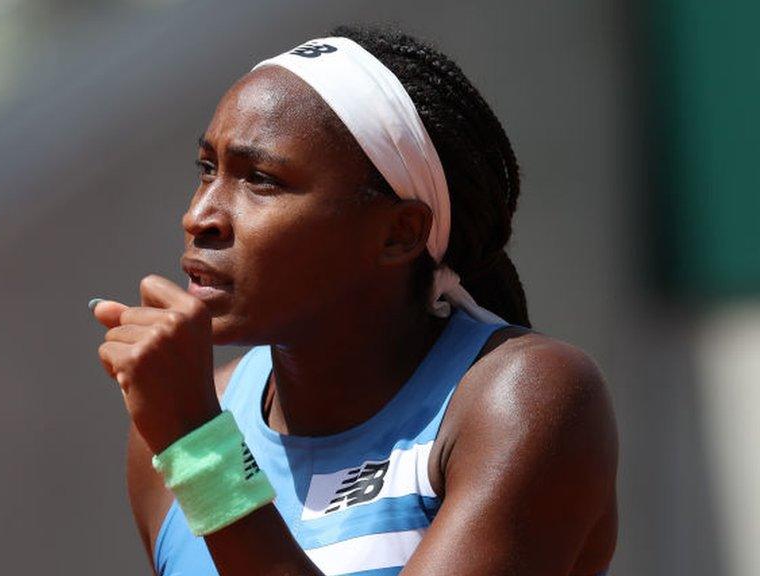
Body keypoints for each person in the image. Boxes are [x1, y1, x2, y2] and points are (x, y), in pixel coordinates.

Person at [91, 24, 617, 576]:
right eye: (207, 169)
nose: (199, 217)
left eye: (262, 179)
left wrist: (202, 447)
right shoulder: (180, 424)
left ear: (400, 233)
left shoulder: (525, 400)